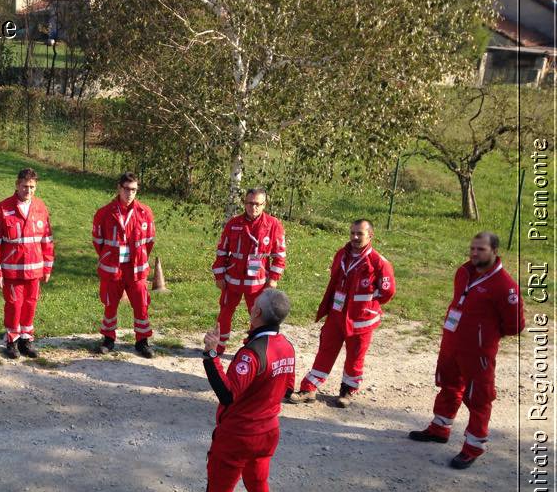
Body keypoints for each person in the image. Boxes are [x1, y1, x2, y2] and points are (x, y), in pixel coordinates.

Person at [179, 289, 296, 492]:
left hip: (238, 437)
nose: (250, 308)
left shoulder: (252, 353)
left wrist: (211, 354)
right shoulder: (287, 347)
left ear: (257, 314)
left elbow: (228, 393)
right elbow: (287, 389)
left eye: (253, 306)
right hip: (267, 433)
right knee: (259, 488)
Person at [408, 232, 524, 469]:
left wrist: (483, 336)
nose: (474, 253)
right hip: (452, 343)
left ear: (494, 251)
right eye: (472, 248)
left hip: (478, 352)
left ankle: (473, 447)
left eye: (480, 249)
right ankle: (440, 428)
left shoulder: (505, 286)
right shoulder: (463, 272)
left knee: (479, 397)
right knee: (448, 385)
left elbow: (514, 325)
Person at [286, 219, 395, 408]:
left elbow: (388, 291)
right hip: (336, 315)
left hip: (361, 320)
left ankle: (348, 390)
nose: (354, 237)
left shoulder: (379, 262)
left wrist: (366, 301)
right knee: (325, 351)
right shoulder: (341, 255)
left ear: (370, 235)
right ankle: (308, 388)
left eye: (359, 234)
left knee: (355, 356)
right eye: (352, 232)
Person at [0, 168, 54, 359]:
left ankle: (26, 339)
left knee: (31, 304)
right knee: (14, 305)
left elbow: (47, 240)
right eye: (25, 186)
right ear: (17, 185)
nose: (28, 191)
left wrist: (47, 266)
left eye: (32, 187)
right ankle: (12, 341)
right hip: (12, 270)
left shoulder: (40, 207)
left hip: (34, 269)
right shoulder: (2, 208)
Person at [212, 188, 286, 355]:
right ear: (244, 203)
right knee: (225, 312)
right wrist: (219, 275)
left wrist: (273, 278)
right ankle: (219, 345)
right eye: (250, 203)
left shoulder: (273, 225)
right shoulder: (233, 223)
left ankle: (253, 346)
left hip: (258, 283)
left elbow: (279, 256)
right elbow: (222, 251)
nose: (253, 208)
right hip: (232, 280)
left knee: (258, 316)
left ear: (264, 205)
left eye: (257, 204)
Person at [91, 172, 157, 358]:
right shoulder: (105, 213)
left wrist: (140, 257)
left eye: (134, 190)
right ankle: (108, 339)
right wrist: (109, 257)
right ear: (119, 188)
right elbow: (98, 242)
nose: (130, 193)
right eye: (126, 189)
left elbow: (149, 241)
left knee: (141, 304)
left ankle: (142, 341)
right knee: (110, 304)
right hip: (113, 268)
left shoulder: (145, 213)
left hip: (136, 268)